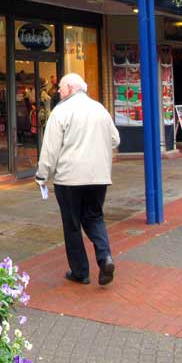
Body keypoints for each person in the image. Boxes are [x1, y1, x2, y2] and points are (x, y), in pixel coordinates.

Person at [36, 73, 120, 285]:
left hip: (69, 179)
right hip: (99, 177)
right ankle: (105, 257)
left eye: (62, 88)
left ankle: (80, 272)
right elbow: (115, 139)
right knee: (94, 217)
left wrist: (42, 175)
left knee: (72, 224)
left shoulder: (61, 111)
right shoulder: (99, 108)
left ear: (71, 88)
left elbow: (50, 149)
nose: (59, 92)